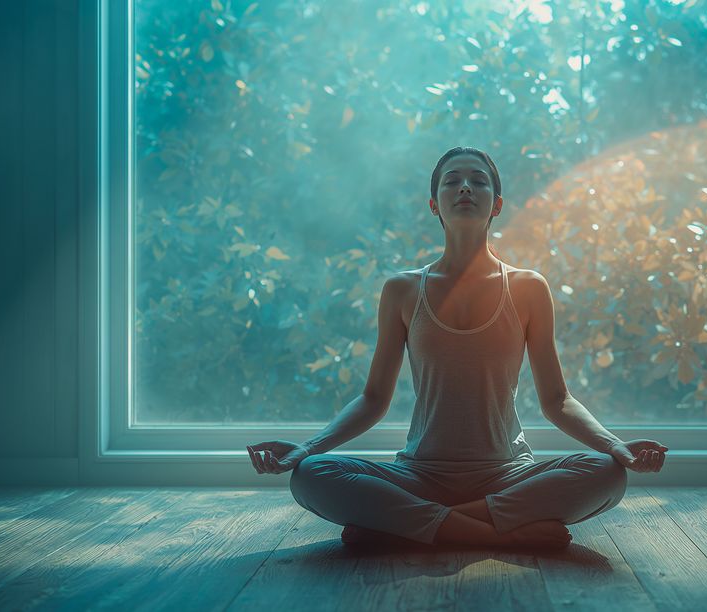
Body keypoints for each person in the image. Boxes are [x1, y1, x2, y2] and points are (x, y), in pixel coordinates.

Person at [246, 146, 668, 550]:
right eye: (452, 182)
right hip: (418, 474)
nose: (465, 187)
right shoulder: (402, 290)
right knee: (311, 475)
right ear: (434, 204)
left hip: (506, 474)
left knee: (606, 473)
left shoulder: (527, 288)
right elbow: (373, 400)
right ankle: (494, 532)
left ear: (496, 204)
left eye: (478, 181)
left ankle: (406, 526)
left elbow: (557, 400)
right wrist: (307, 448)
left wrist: (615, 446)